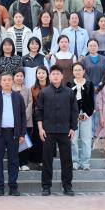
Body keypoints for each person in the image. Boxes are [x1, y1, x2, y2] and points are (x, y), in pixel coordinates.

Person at [36, 66, 78, 195]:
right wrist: (40, 128)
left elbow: (74, 111)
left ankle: (67, 186)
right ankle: (46, 186)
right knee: (47, 160)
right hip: (48, 131)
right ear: (50, 76)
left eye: (57, 74)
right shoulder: (44, 92)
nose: (55, 76)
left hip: (65, 131)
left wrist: (73, 128)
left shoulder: (69, 92)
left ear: (62, 76)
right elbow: (39, 111)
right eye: (53, 74)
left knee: (67, 160)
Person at [0, 71, 24, 196]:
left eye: (9, 80)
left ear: (12, 81)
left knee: (14, 161)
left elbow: (23, 116)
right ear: (0, 82)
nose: (7, 82)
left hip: (13, 133)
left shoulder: (18, 97)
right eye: (4, 80)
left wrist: (22, 134)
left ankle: (13, 187)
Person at [67, 62, 95, 170]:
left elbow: (92, 101)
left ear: (84, 71)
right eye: (75, 70)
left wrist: (87, 114)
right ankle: (75, 162)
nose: (78, 72)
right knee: (73, 140)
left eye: (80, 70)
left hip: (86, 115)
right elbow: (67, 102)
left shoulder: (89, 84)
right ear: (73, 72)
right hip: (72, 116)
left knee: (86, 140)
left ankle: (85, 162)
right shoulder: (69, 84)